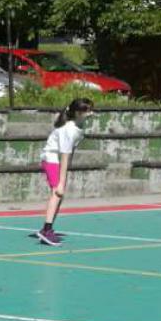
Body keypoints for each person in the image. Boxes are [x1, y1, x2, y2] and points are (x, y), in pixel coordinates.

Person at [37, 98, 94, 246]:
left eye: (90, 110)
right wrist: (61, 182)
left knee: (59, 195)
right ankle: (46, 230)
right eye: (87, 111)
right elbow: (64, 155)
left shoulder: (78, 127)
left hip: (57, 160)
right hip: (51, 159)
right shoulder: (69, 130)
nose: (91, 113)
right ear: (77, 113)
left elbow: (69, 153)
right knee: (57, 193)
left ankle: (48, 228)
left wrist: (65, 174)